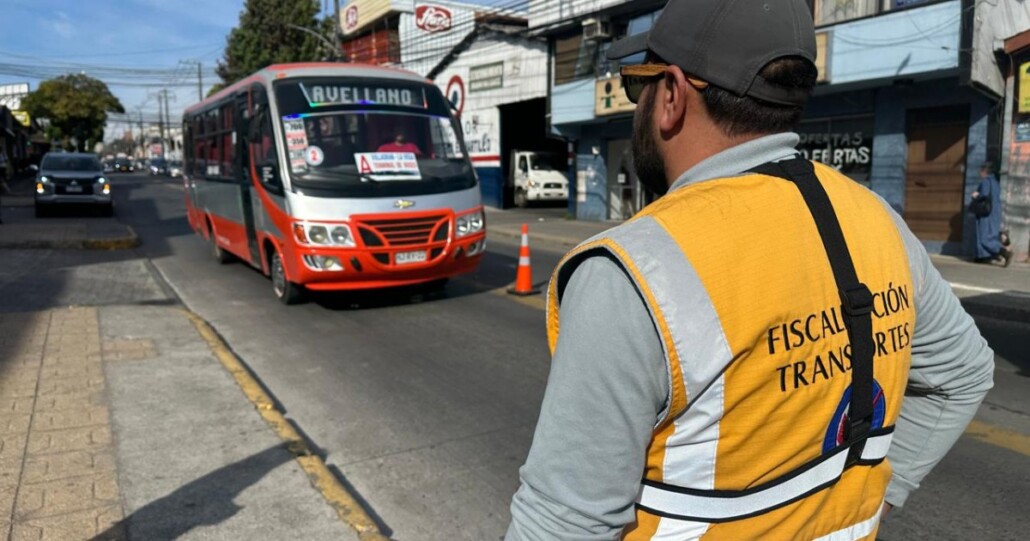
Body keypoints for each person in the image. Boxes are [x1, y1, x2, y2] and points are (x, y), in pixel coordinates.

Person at [506, 1, 995, 540]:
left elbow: (564, 523)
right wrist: (875, 494)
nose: (637, 105)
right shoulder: (877, 220)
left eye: (637, 87)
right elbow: (963, 373)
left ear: (671, 96)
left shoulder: (635, 267)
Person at [971, 162, 1012, 266]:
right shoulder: (996, 183)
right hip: (995, 212)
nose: (979, 173)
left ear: (985, 171)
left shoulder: (986, 182)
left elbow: (983, 195)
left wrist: (976, 195)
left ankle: (1004, 252)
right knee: (991, 235)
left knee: (984, 238)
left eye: (981, 171)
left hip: (986, 213)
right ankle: (983, 256)